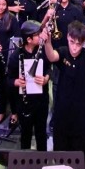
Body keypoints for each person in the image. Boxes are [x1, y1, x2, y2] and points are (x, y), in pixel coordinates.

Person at [44, 20, 85, 169]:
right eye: (72, 42)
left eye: (78, 44)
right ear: (67, 37)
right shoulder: (63, 52)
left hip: (82, 117)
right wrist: (47, 40)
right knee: (60, 156)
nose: (74, 47)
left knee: (83, 157)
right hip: (62, 115)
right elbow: (51, 56)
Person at [7, 20, 51, 150]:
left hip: (41, 101)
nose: (41, 36)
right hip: (24, 103)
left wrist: (46, 78)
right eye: (37, 34)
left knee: (41, 134)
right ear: (29, 39)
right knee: (25, 135)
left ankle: (42, 159)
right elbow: (8, 80)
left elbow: (49, 69)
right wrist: (16, 82)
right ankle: (25, 159)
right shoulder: (16, 56)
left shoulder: (43, 51)